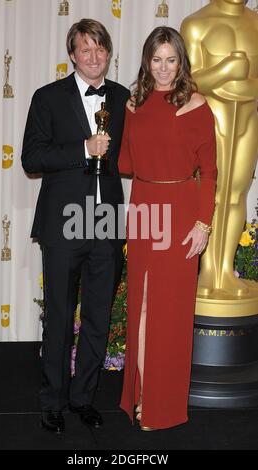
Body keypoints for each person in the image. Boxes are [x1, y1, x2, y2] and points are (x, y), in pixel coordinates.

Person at [21, 18, 130, 434]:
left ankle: (83, 397)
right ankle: (52, 401)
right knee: (61, 316)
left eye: (100, 48)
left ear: (108, 52)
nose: (94, 56)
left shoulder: (123, 98)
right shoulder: (47, 97)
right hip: (64, 222)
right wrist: (82, 150)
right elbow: (32, 157)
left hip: (105, 221)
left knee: (98, 318)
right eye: (85, 49)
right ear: (72, 54)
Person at [118, 26, 217, 430]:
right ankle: (142, 397)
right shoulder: (132, 103)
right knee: (141, 305)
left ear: (181, 62)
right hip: (144, 209)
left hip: (180, 213)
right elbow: (126, 164)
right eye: (156, 60)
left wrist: (203, 225)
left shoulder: (197, 105)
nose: (162, 68)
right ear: (147, 61)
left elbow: (209, 173)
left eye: (170, 60)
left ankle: (163, 405)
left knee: (171, 313)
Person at [181, 0, 258, 297]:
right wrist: (226, 70)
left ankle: (225, 269)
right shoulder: (196, 24)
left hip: (248, 120)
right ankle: (207, 271)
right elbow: (187, 81)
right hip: (210, 123)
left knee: (237, 193)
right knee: (210, 194)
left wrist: (241, 87)